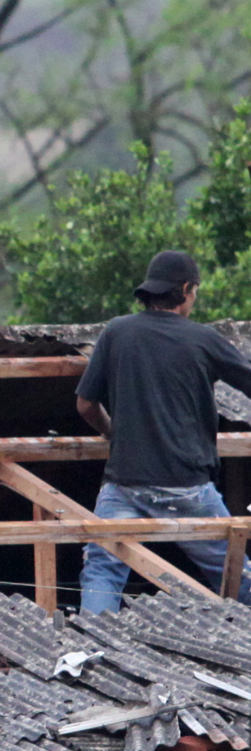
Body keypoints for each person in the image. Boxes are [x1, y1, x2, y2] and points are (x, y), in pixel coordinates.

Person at [75, 250, 251, 613]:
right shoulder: (203, 339)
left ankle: (89, 644)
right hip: (188, 487)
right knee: (234, 573)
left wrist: (113, 433)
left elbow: (85, 405)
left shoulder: (116, 332)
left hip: (125, 484)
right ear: (185, 289)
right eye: (195, 292)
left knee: (103, 571)